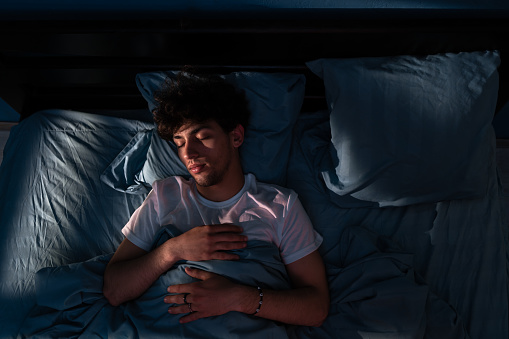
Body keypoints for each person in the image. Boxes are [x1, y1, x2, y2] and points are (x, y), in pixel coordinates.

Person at [103, 71, 329, 327]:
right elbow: (114, 290)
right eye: (179, 142)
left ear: (235, 137)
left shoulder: (279, 205)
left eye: (202, 137)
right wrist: (172, 250)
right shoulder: (165, 196)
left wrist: (238, 298)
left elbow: (316, 308)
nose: (189, 153)